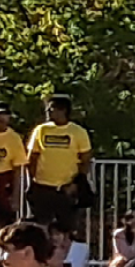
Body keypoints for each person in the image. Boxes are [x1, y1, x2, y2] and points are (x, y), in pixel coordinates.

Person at [20, 96, 91, 235]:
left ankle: (65, 255)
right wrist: (32, 181)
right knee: (40, 226)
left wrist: (76, 183)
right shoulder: (41, 130)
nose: (48, 112)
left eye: (51, 109)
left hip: (66, 187)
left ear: (63, 110)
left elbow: (85, 159)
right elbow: (32, 157)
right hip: (42, 187)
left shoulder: (78, 132)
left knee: (67, 228)